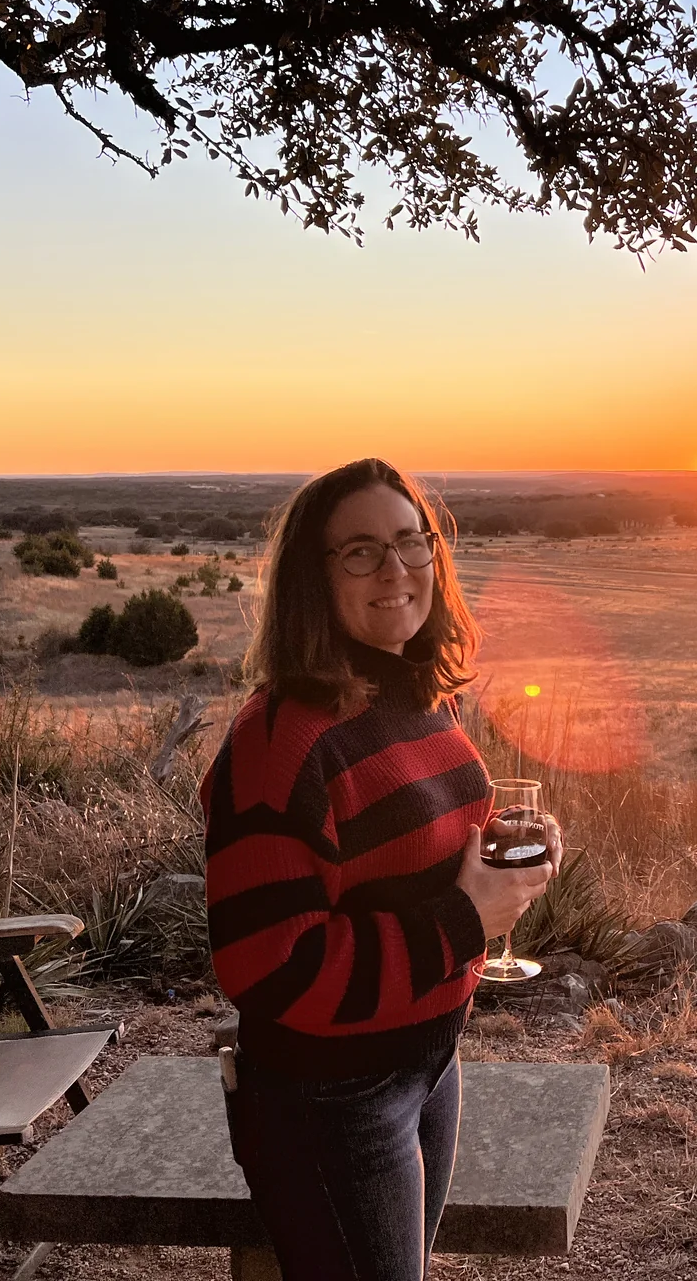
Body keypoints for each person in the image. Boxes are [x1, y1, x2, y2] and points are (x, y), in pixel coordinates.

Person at [202, 458, 561, 1281]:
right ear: (312, 580)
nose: (396, 570)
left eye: (410, 542)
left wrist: (509, 845)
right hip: (331, 1100)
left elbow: (424, 843)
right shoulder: (281, 741)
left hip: (429, 1060)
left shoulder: (416, 693)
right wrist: (468, 921)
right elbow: (271, 969)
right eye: (361, 552)